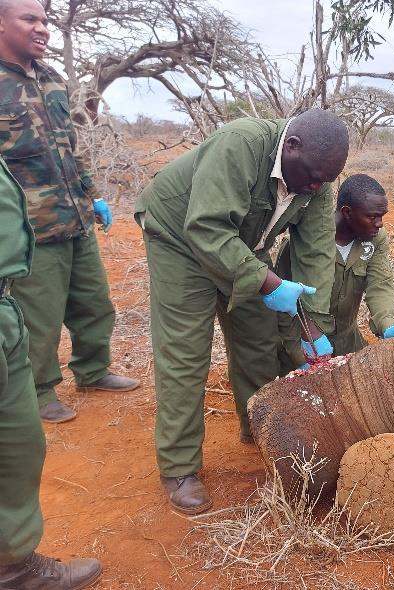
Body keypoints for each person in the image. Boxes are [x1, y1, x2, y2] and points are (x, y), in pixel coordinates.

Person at [135, 108, 349, 514]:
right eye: (313, 177)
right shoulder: (240, 143)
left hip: (244, 244)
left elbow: (316, 252)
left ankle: (260, 429)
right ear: (291, 146)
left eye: (326, 180)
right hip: (180, 237)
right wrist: (268, 283)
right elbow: (207, 229)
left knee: (258, 339)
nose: (317, 187)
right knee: (186, 352)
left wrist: (314, 325)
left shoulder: (316, 181)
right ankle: (179, 467)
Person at [0, 0, 139, 425]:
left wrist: (92, 196)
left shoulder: (52, 80)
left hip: (75, 217)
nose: (42, 28)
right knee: (38, 317)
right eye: (30, 19)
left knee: (94, 302)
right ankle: (39, 391)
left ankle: (93, 370)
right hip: (29, 229)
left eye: (45, 20)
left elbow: (70, 149)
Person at [0, 156, 102, 589]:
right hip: (41, 244)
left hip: (7, 297)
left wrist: (90, 194)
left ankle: (12, 566)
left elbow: (68, 153)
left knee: (19, 446)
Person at [277, 174, 394, 369]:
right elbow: (283, 311)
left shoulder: (375, 240)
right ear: (347, 212)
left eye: (382, 216)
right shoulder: (304, 243)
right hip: (305, 346)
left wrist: (387, 324)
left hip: (348, 344)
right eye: (372, 216)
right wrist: (301, 358)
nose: (380, 224)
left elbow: (380, 284)